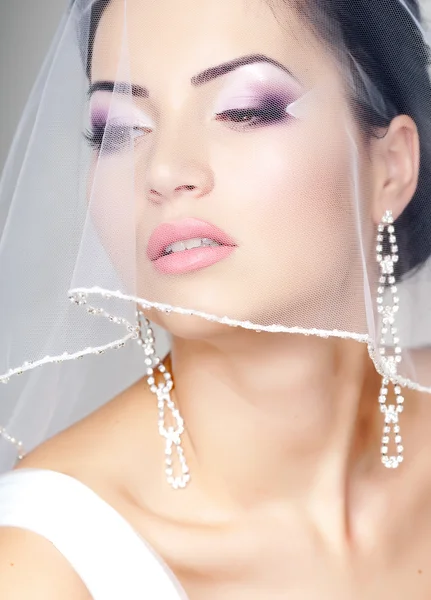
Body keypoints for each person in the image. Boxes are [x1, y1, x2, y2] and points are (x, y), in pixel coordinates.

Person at [0, 0, 431, 597]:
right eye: (118, 128)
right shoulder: (41, 564)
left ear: (390, 167)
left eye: (245, 110)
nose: (164, 169)